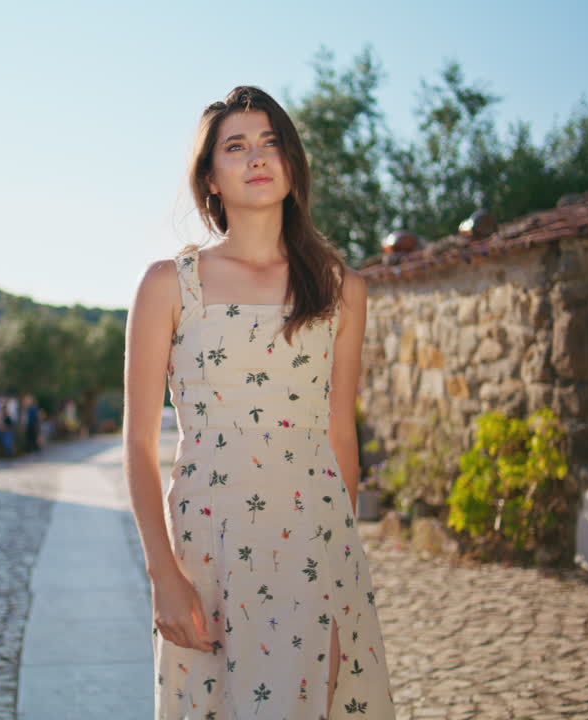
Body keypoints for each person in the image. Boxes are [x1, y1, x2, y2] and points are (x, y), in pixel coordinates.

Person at [123, 86, 396, 719]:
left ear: (293, 163)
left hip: (316, 545)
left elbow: (340, 432)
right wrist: (163, 573)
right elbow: (138, 444)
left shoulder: (339, 288)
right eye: (236, 146)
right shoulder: (169, 285)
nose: (257, 157)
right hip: (210, 548)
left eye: (271, 142)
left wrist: (340, 556)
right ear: (209, 178)